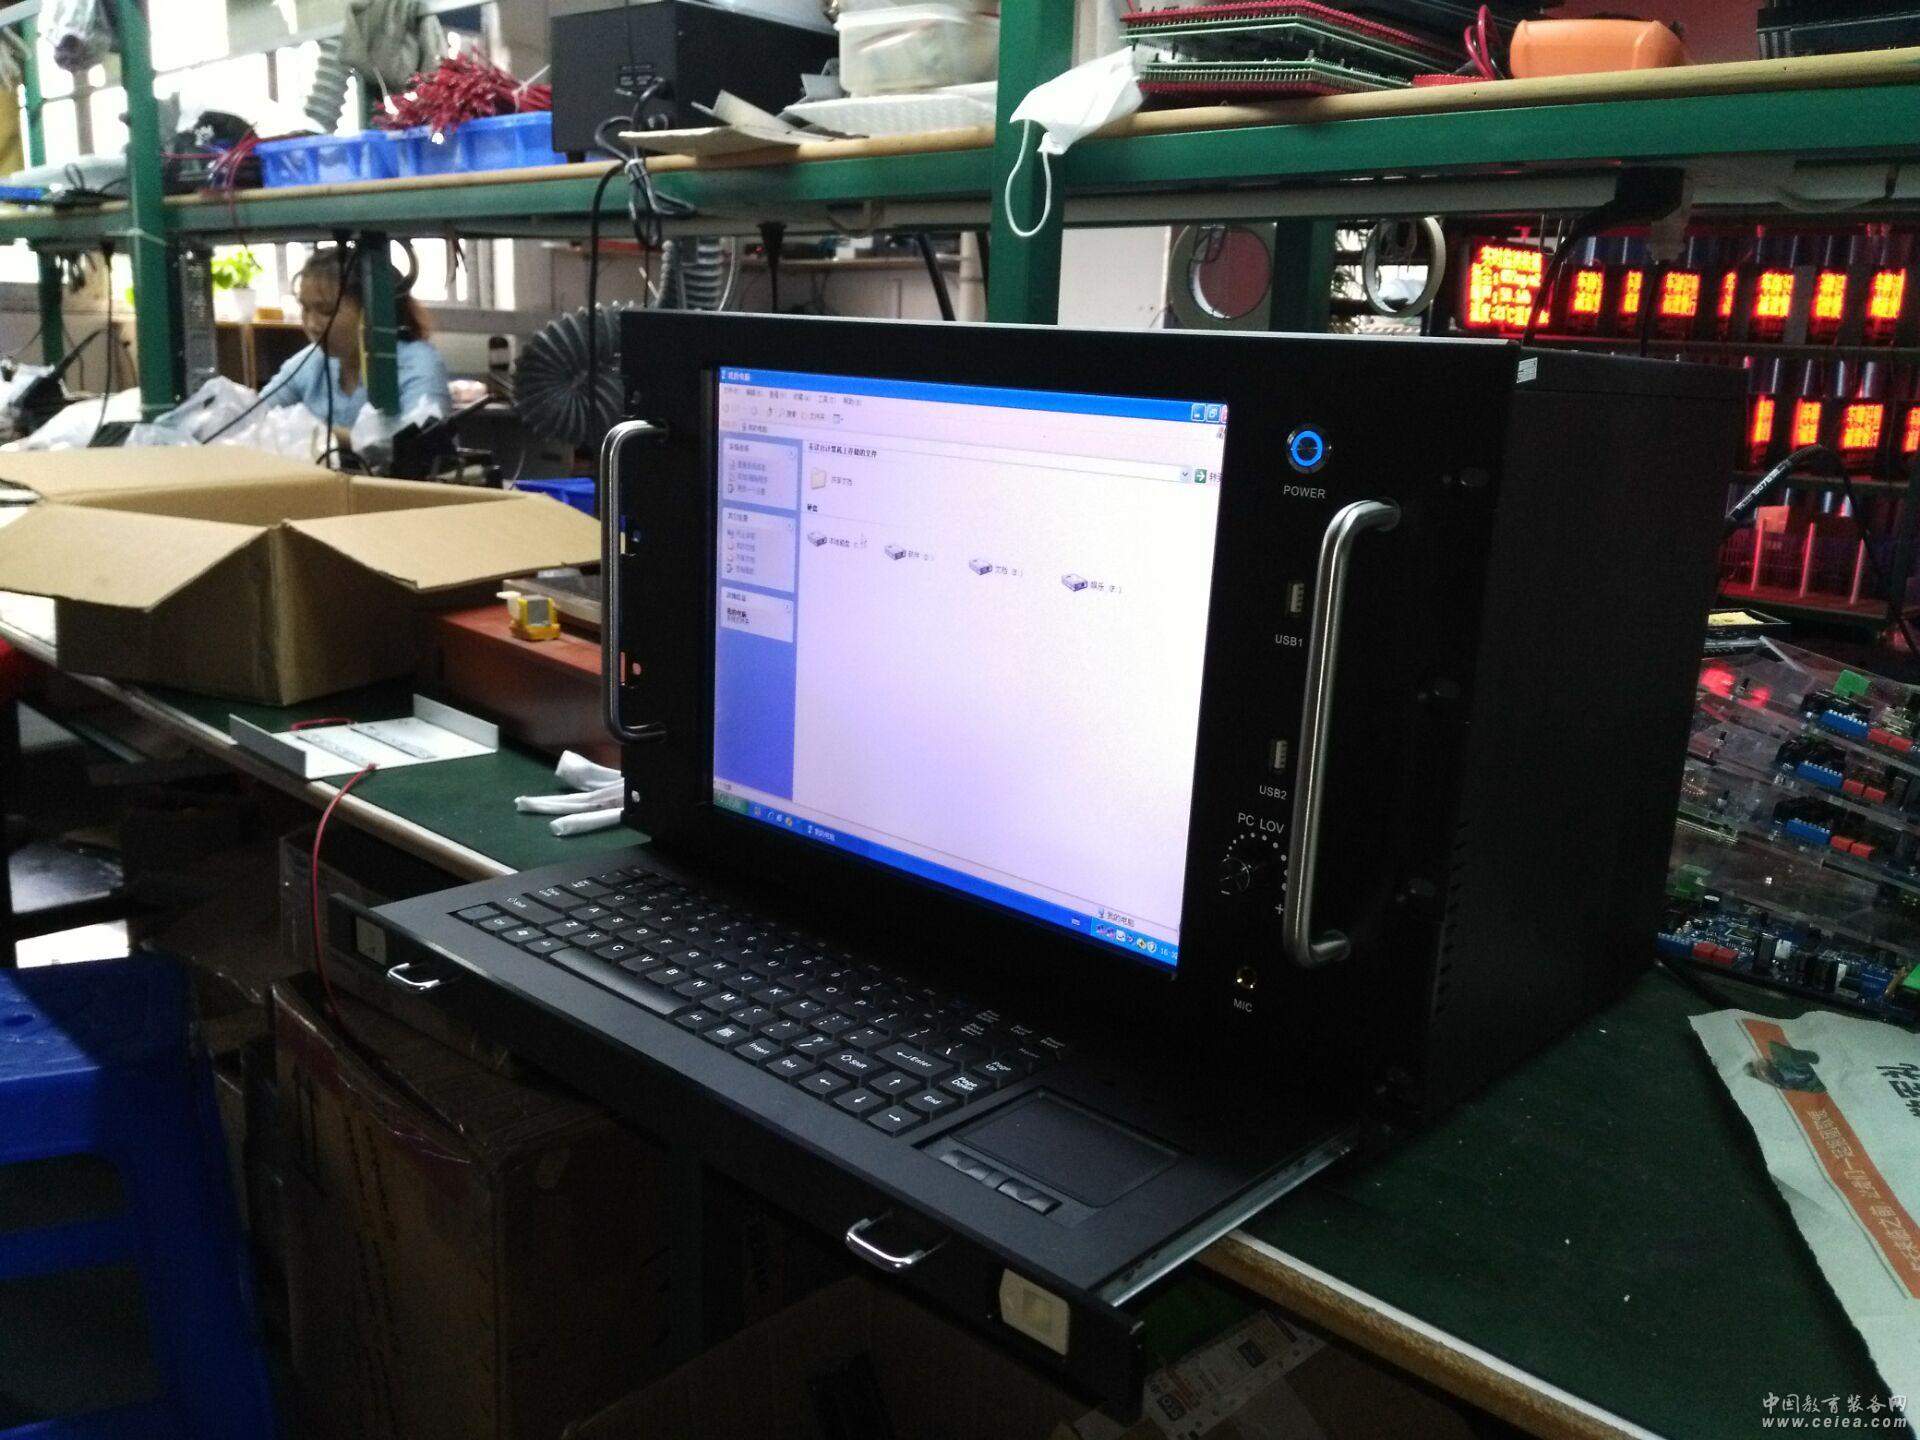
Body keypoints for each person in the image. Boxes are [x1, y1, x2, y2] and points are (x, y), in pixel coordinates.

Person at [260, 246, 452, 428]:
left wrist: (315, 433)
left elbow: (422, 441)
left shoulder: (418, 363)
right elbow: (256, 414)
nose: (311, 324)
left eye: (326, 311)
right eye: (305, 309)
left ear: (371, 310)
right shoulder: (310, 363)